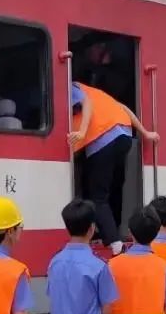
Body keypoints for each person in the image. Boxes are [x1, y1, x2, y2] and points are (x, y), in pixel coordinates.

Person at [68, 83, 159, 255]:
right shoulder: (99, 94)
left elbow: (85, 103)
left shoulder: (71, 86)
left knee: (97, 195)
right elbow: (124, 108)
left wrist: (81, 132)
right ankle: (110, 232)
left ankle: (115, 243)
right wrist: (145, 133)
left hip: (102, 138)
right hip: (124, 136)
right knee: (114, 189)